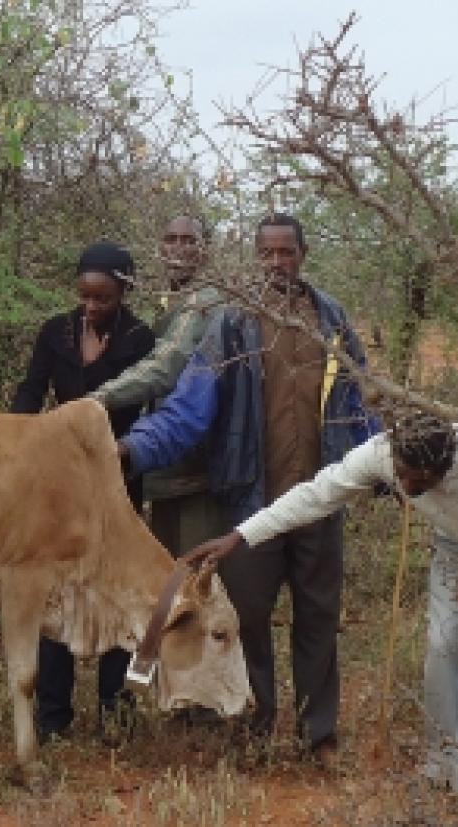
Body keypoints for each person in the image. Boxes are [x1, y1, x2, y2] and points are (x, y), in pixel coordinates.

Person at [185, 413, 458, 798]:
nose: (406, 486)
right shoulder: (382, 452)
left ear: (445, 465)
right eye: (401, 476)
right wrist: (241, 536)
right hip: (452, 549)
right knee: (441, 647)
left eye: (419, 480)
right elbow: (317, 495)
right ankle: (440, 762)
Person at [116, 213, 377, 758]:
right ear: (255, 257)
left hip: (321, 499)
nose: (277, 264)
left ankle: (317, 734)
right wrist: (132, 448)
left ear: (303, 254)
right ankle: (259, 720)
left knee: (318, 619)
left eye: (287, 253)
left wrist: (384, 462)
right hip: (252, 506)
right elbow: (188, 408)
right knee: (250, 619)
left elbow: (358, 402)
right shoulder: (232, 323)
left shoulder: (329, 318)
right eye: (268, 253)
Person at [10, 240, 155, 742]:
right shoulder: (56, 331)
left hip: (117, 478)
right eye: (85, 297)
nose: (92, 307)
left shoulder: (141, 338)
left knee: (114, 589)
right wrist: (19, 437)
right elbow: (31, 390)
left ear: (124, 292)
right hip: (55, 480)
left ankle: (116, 711)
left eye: (104, 298)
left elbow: (143, 405)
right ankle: (53, 714)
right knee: (56, 587)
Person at [90, 216, 230, 557]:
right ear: (160, 248)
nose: (179, 248)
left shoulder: (204, 302)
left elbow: (165, 367)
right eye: (171, 239)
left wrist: (93, 400)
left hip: (196, 469)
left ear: (205, 251)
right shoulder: (172, 302)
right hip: (171, 469)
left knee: (191, 579)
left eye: (189, 240)